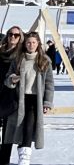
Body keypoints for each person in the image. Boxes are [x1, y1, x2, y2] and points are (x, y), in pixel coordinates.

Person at [2, 32, 54, 165]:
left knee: (28, 128)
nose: (31, 45)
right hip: (19, 99)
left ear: (38, 44)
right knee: (17, 127)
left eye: (34, 43)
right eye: (28, 42)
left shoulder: (44, 60)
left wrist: (47, 102)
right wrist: (12, 79)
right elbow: (8, 77)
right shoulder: (19, 59)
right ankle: (14, 156)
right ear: (25, 44)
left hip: (35, 100)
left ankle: (24, 159)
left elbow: (49, 83)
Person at [0, 26, 23, 165]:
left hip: (12, 96)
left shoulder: (21, 55)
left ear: (20, 38)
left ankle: (4, 160)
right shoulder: (0, 52)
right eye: (10, 34)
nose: (12, 37)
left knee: (8, 132)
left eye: (16, 35)